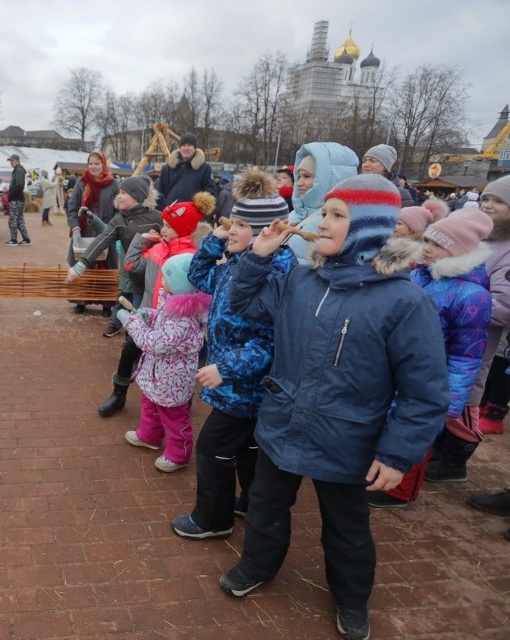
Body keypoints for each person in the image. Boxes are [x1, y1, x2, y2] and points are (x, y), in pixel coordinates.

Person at [218, 174, 448, 640]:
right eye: (324, 212)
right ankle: (257, 565)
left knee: (345, 527)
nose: (322, 222)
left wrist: (396, 454)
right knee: (265, 505)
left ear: (366, 228)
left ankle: (352, 598)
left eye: (337, 215)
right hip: (282, 423)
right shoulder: (301, 279)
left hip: (347, 438)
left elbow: (424, 391)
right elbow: (244, 304)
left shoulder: (404, 302)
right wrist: (258, 256)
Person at [170, 168, 296, 539]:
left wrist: (226, 367)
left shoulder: (275, 274)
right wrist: (215, 241)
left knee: (212, 449)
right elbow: (199, 276)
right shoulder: (239, 264)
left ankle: (212, 519)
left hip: (247, 386)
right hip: (236, 384)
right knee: (247, 447)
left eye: (240, 224)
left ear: (264, 232)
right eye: (233, 221)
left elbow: (271, 341)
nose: (232, 229)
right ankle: (249, 503)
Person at [370, 208, 493, 508]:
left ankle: (402, 491)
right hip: (397, 369)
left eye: (437, 245)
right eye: (426, 241)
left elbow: (466, 357)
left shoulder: (471, 296)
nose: (426, 248)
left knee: (417, 434)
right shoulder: (416, 275)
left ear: (459, 251)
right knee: (390, 424)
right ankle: (380, 474)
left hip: (431, 379)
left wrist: (448, 403)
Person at [96, 192, 212, 417]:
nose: (163, 229)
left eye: (169, 226)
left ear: (185, 228)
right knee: (130, 351)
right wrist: (142, 240)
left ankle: (180, 400)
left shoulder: (194, 257)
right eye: (164, 225)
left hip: (178, 322)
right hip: (150, 315)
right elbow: (131, 266)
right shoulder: (158, 248)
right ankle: (119, 394)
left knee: (177, 363)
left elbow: (202, 292)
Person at [430, 174, 510, 478]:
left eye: (498, 201)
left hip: (475, 344)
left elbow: (503, 308)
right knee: (444, 395)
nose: (488, 205)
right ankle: (439, 450)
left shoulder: (507, 249)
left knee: (465, 401)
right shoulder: (479, 238)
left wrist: (459, 305)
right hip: (449, 336)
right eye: (486, 198)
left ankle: (455, 461)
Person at [119, 253, 211, 473]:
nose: (162, 281)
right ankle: (149, 436)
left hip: (172, 379)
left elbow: (155, 343)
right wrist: (146, 315)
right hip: (157, 374)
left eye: (166, 277)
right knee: (150, 404)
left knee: (174, 417)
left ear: (180, 283)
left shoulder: (184, 317)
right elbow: (161, 319)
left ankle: (179, 454)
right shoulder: (171, 301)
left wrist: (132, 324)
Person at [65, 175, 162, 331]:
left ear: (137, 196)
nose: (119, 196)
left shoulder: (157, 217)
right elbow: (101, 240)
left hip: (156, 281)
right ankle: (127, 343)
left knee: (155, 321)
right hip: (136, 281)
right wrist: (82, 264)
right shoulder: (119, 220)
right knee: (137, 324)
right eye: (119, 192)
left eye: (124, 193)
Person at [285, 142, 359, 263]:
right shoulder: (296, 213)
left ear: (326, 179)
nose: (299, 182)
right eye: (299, 176)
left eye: (307, 176)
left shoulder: (336, 221)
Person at [66, 150, 120, 315]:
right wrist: (75, 228)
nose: (93, 167)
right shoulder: (82, 182)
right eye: (90, 163)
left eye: (97, 163)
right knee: (83, 263)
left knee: (106, 266)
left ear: (103, 164)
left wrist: (112, 228)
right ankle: (81, 300)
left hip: (105, 230)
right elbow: (72, 207)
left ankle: (106, 304)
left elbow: (119, 209)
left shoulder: (114, 184)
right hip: (84, 231)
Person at [155, 132, 216, 210]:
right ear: (180, 148)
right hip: (169, 215)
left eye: (189, 145)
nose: (186, 148)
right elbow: (159, 193)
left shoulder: (204, 168)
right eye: (183, 145)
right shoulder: (168, 168)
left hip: (192, 216)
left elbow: (210, 194)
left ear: (194, 148)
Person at [4, 154, 31, 246]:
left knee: (12, 220)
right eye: (10, 161)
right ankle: (26, 239)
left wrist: (10, 195)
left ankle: (13, 239)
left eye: (12, 161)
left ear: (17, 160)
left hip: (17, 199)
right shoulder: (18, 170)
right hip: (18, 198)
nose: (11, 163)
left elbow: (19, 185)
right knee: (19, 220)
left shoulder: (18, 170)